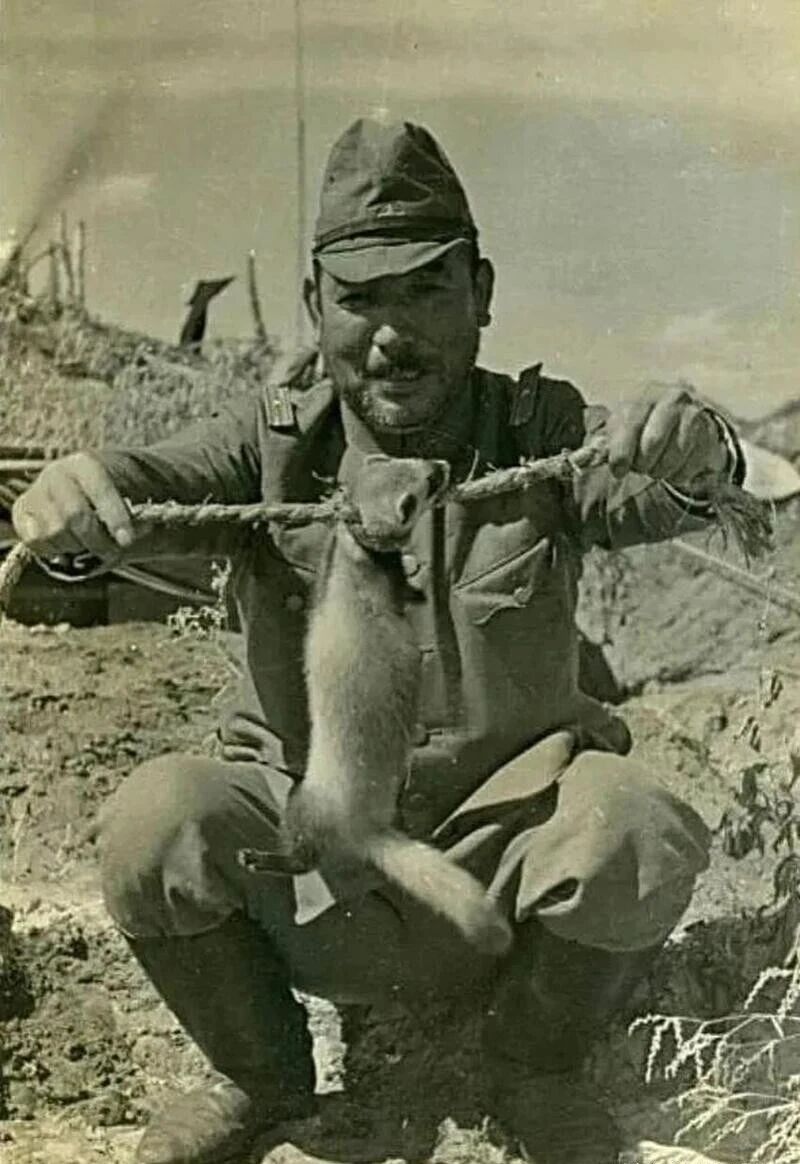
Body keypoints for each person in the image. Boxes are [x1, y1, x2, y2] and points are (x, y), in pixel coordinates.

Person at [13, 117, 746, 1164]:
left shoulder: (539, 434)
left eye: (425, 292)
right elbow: (143, 490)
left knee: (635, 827)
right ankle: (261, 1078)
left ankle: (530, 1064)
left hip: (501, 876)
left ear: (480, 294)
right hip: (319, 876)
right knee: (153, 822)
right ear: (316, 307)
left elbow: (681, 490)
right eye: (360, 299)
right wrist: (77, 498)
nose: (391, 335)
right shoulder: (266, 448)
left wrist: (699, 444)